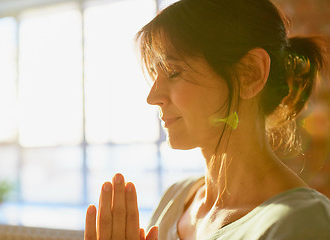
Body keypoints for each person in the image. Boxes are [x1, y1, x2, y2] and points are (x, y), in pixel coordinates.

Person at [84, 0, 330, 239]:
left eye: (173, 72)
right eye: (154, 74)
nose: (152, 96)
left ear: (250, 74)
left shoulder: (303, 221)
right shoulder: (175, 199)